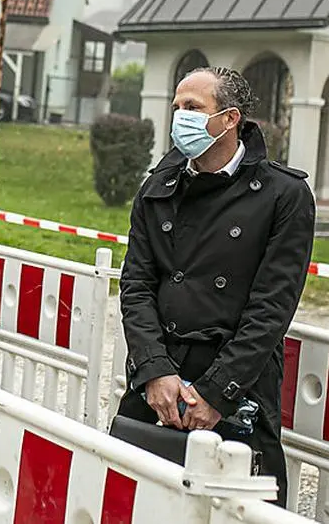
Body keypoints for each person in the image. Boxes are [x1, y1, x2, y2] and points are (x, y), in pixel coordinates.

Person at [117, 66, 315, 507]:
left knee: (236, 513)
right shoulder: (157, 186)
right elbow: (136, 285)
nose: (179, 118)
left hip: (236, 390)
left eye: (193, 108)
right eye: (176, 108)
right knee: (137, 504)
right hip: (159, 387)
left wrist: (216, 393)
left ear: (229, 119)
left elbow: (271, 309)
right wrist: (155, 372)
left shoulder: (284, 195)